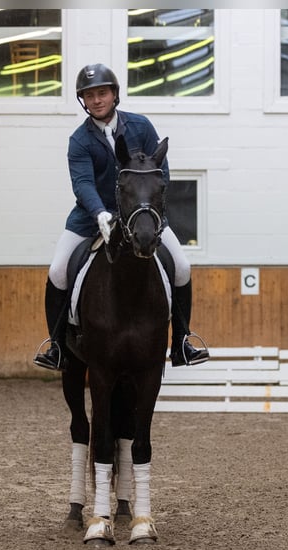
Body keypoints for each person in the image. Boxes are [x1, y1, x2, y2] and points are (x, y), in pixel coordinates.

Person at [33, 63, 209, 371]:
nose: (96, 100)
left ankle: (182, 341)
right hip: (91, 219)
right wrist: (100, 212)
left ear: (114, 95)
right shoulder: (80, 141)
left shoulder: (141, 127)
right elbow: (83, 183)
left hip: (142, 218)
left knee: (181, 266)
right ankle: (57, 345)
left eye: (102, 93)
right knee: (58, 270)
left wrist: (151, 212)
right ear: (83, 101)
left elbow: (159, 172)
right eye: (89, 96)